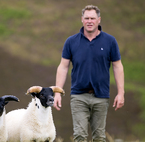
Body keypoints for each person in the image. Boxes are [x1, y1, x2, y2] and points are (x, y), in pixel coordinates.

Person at [53, 5, 125, 142]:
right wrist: (58, 92)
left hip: (101, 96)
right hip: (78, 96)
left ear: (99, 20)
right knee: (80, 135)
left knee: (99, 137)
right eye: (86, 18)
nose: (89, 21)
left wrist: (121, 93)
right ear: (82, 20)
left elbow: (117, 66)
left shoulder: (110, 41)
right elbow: (63, 67)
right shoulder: (71, 42)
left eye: (93, 18)